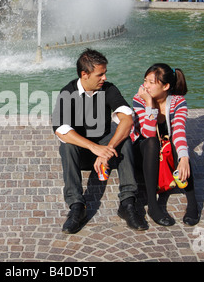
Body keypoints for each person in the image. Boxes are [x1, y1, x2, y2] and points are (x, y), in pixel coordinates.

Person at [52, 49, 148, 234]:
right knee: (67, 145)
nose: (104, 77)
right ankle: (77, 207)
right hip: (82, 153)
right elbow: (61, 129)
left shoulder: (109, 89)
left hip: (105, 151)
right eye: (100, 74)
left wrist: (108, 148)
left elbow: (128, 119)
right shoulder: (67, 92)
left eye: (105, 73)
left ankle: (127, 203)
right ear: (84, 74)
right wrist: (95, 148)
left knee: (125, 141)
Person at [130, 63, 200, 227]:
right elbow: (147, 134)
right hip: (142, 153)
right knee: (153, 142)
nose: (145, 86)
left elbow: (179, 132)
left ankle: (192, 202)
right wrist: (149, 103)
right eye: (145, 80)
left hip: (165, 154)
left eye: (151, 82)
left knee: (180, 147)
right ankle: (152, 206)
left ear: (166, 86)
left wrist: (183, 158)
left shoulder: (178, 102)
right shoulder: (139, 99)